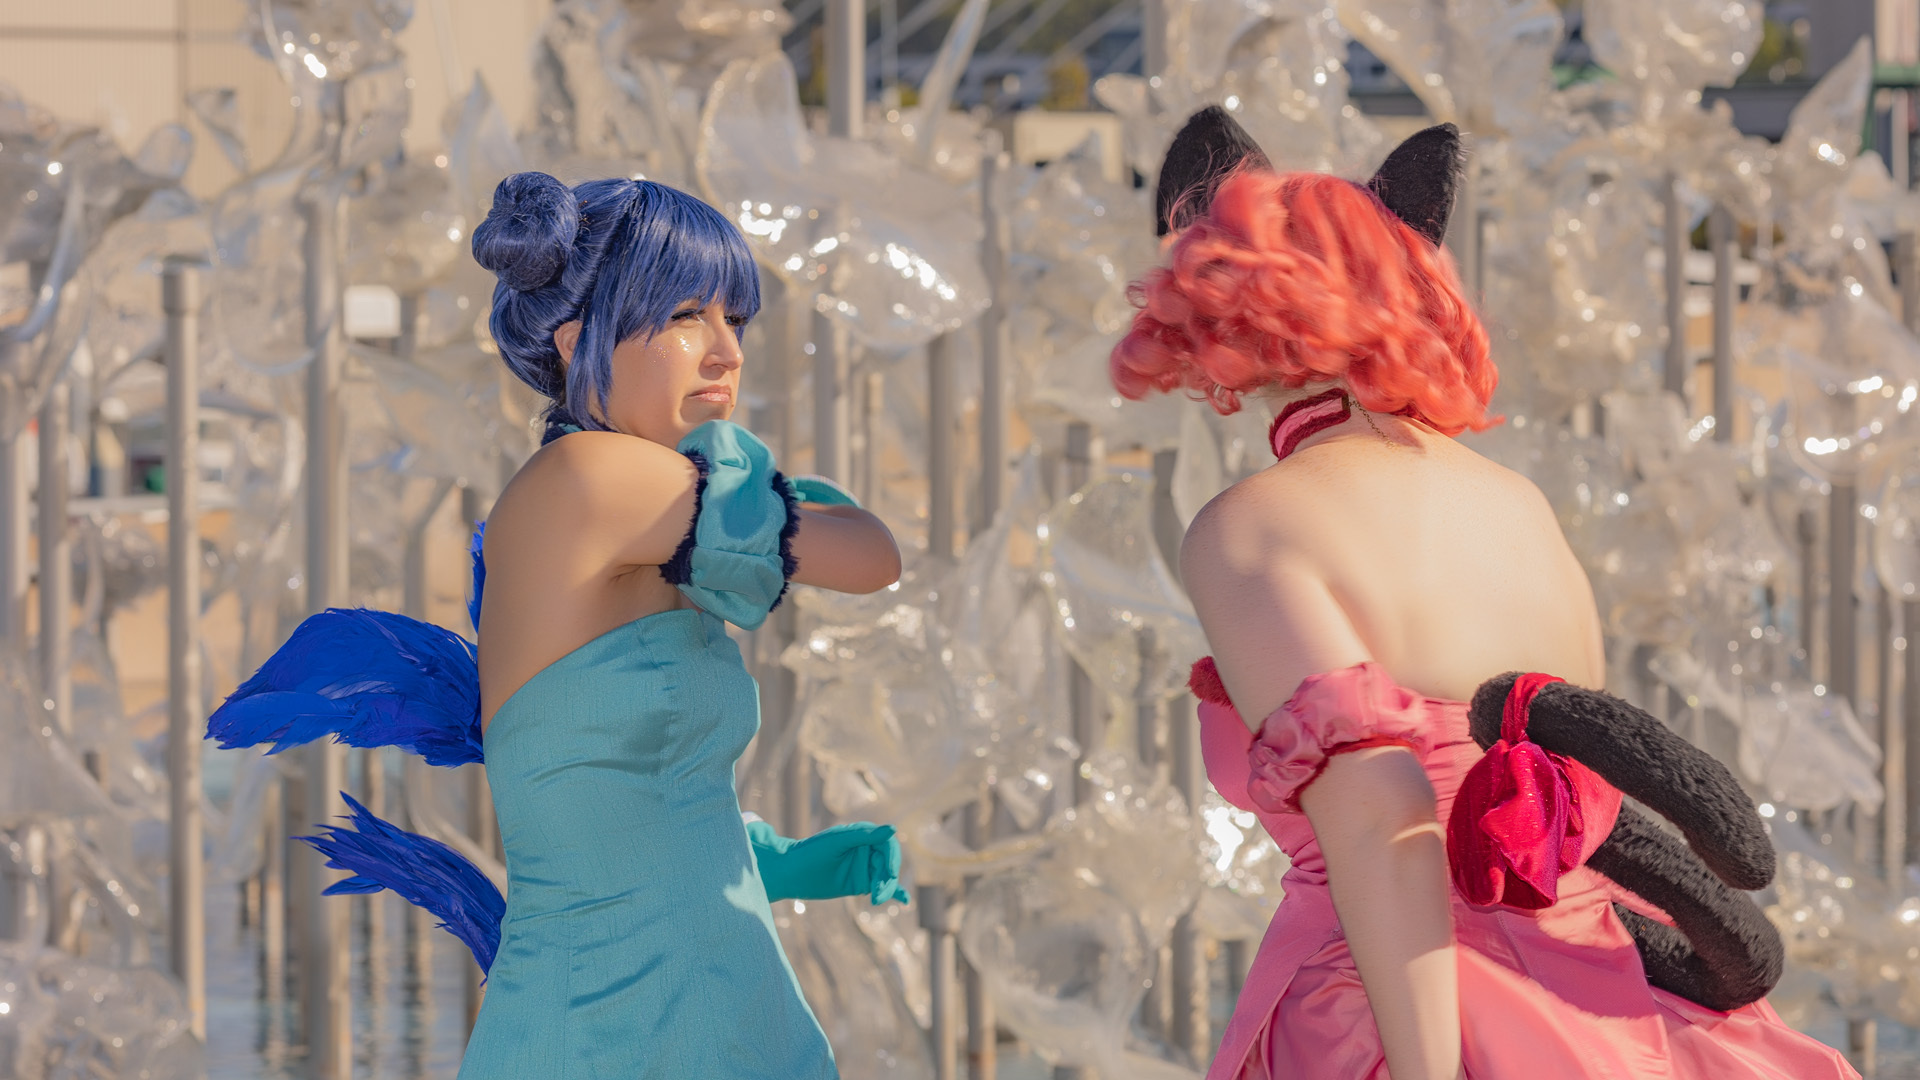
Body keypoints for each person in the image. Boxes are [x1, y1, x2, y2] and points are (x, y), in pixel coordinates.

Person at [1115, 110, 1858, 1080]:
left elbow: (1384, 819)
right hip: (1603, 995)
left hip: (1395, 1012)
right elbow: (1568, 802)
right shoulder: (1522, 508)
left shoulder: (1252, 525)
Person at [209, 173, 905, 1079]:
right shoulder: (598, 478)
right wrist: (737, 466)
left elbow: (611, 802)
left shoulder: (639, 507)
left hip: (697, 1011)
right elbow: (871, 555)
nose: (728, 352)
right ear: (579, 342)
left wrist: (775, 862)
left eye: (736, 319)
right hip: (618, 1030)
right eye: (686, 316)